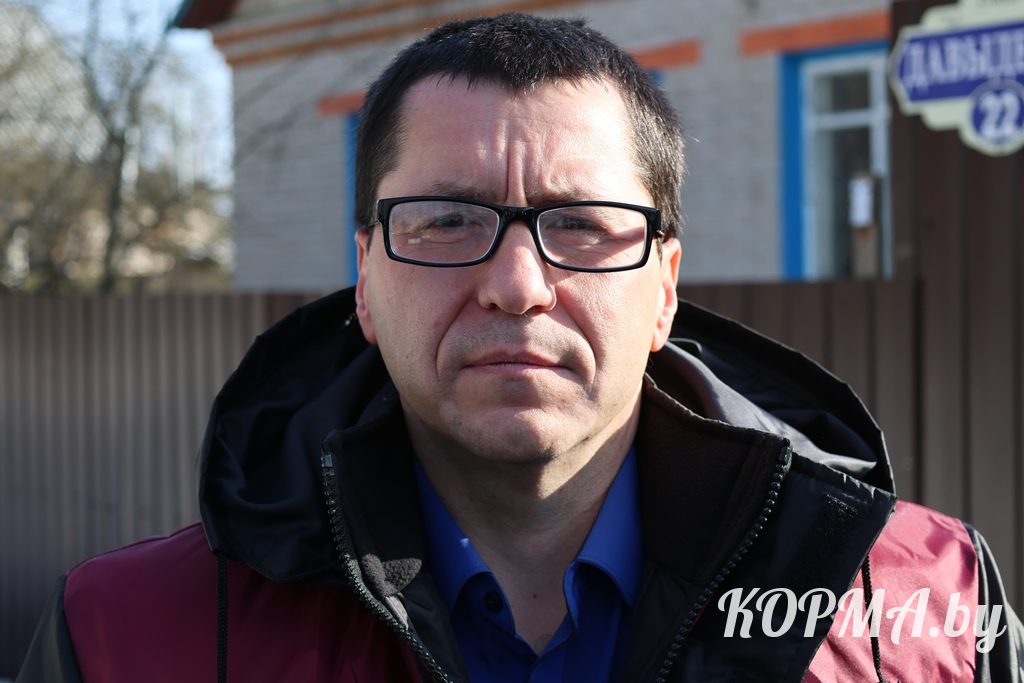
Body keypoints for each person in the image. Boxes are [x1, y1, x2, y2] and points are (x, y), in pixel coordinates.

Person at [16, 12, 1024, 683]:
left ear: (665, 287)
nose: (517, 283)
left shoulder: (931, 607)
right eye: (447, 219)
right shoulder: (122, 635)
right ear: (365, 279)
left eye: (580, 223)